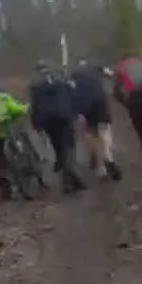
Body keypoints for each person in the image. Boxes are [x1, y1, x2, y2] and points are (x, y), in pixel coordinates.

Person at [27, 61, 86, 192]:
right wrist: (77, 112)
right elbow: (72, 97)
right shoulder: (61, 79)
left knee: (58, 147)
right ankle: (68, 176)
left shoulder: (34, 85)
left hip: (47, 119)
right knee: (69, 146)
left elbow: (34, 105)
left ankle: (68, 176)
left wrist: (36, 124)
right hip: (64, 116)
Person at [70, 58, 121, 181]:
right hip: (100, 101)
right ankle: (109, 157)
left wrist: (75, 109)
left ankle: (100, 168)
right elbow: (111, 74)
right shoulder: (96, 65)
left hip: (84, 105)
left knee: (91, 134)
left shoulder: (73, 73)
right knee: (105, 130)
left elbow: (70, 89)